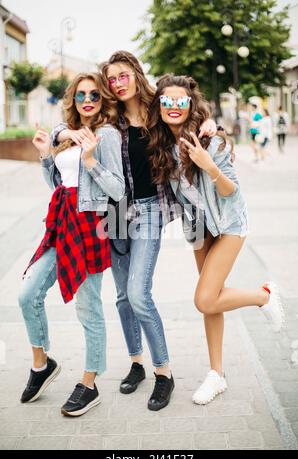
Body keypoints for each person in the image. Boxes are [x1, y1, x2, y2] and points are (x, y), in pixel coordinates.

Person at [51, 51, 216, 411]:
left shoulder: (160, 109)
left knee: (139, 294)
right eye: (112, 79)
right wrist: (62, 131)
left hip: (152, 208)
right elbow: (62, 128)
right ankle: (137, 362)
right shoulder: (109, 118)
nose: (117, 83)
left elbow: (192, 110)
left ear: (136, 75)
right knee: (123, 297)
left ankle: (164, 372)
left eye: (123, 75)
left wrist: (209, 125)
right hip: (116, 213)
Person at [148, 73, 285, 405]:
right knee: (212, 297)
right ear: (160, 106)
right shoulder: (162, 145)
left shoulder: (213, 142)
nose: (174, 107)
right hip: (197, 229)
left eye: (181, 101)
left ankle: (263, 296)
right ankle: (216, 374)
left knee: (205, 299)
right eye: (167, 101)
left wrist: (209, 166)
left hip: (228, 225)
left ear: (191, 104)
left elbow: (230, 190)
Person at [18, 73, 124, 417]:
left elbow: (119, 191)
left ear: (103, 97)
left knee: (88, 307)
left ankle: (90, 383)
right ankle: (41, 364)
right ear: (74, 99)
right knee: (27, 293)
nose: (88, 99)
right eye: (81, 95)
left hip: (90, 224)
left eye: (94, 94)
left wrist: (91, 160)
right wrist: (47, 154)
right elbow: (57, 183)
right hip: (61, 219)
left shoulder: (106, 135)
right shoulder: (68, 130)